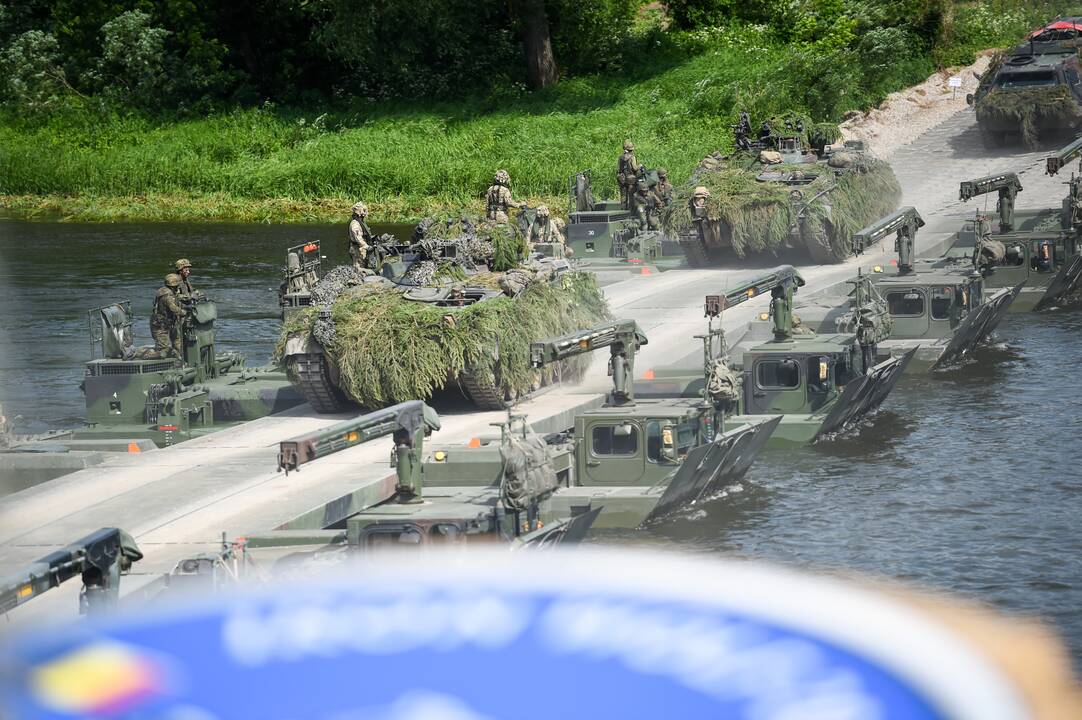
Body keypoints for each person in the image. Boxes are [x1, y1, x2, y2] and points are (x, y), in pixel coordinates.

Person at [151, 273, 188, 359]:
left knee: (178, 344)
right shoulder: (167, 295)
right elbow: (173, 308)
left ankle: (178, 360)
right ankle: (136, 354)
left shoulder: (163, 291)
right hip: (160, 325)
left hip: (168, 323)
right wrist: (183, 312)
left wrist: (186, 297)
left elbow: (175, 297)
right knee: (163, 351)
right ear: (174, 285)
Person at [348, 202, 375, 271]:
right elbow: (358, 237)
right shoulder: (355, 223)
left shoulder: (361, 222)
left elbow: (363, 234)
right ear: (359, 211)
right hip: (357, 249)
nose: (365, 213)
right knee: (358, 268)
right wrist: (366, 246)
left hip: (361, 249)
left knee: (364, 266)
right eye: (364, 210)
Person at [616, 140, 641, 211]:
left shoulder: (620, 157)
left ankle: (623, 211)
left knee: (623, 196)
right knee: (631, 195)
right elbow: (635, 168)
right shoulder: (632, 157)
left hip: (622, 179)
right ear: (632, 149)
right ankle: (631, 212)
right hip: (631, 179)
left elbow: (618, 169)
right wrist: (640, 165)